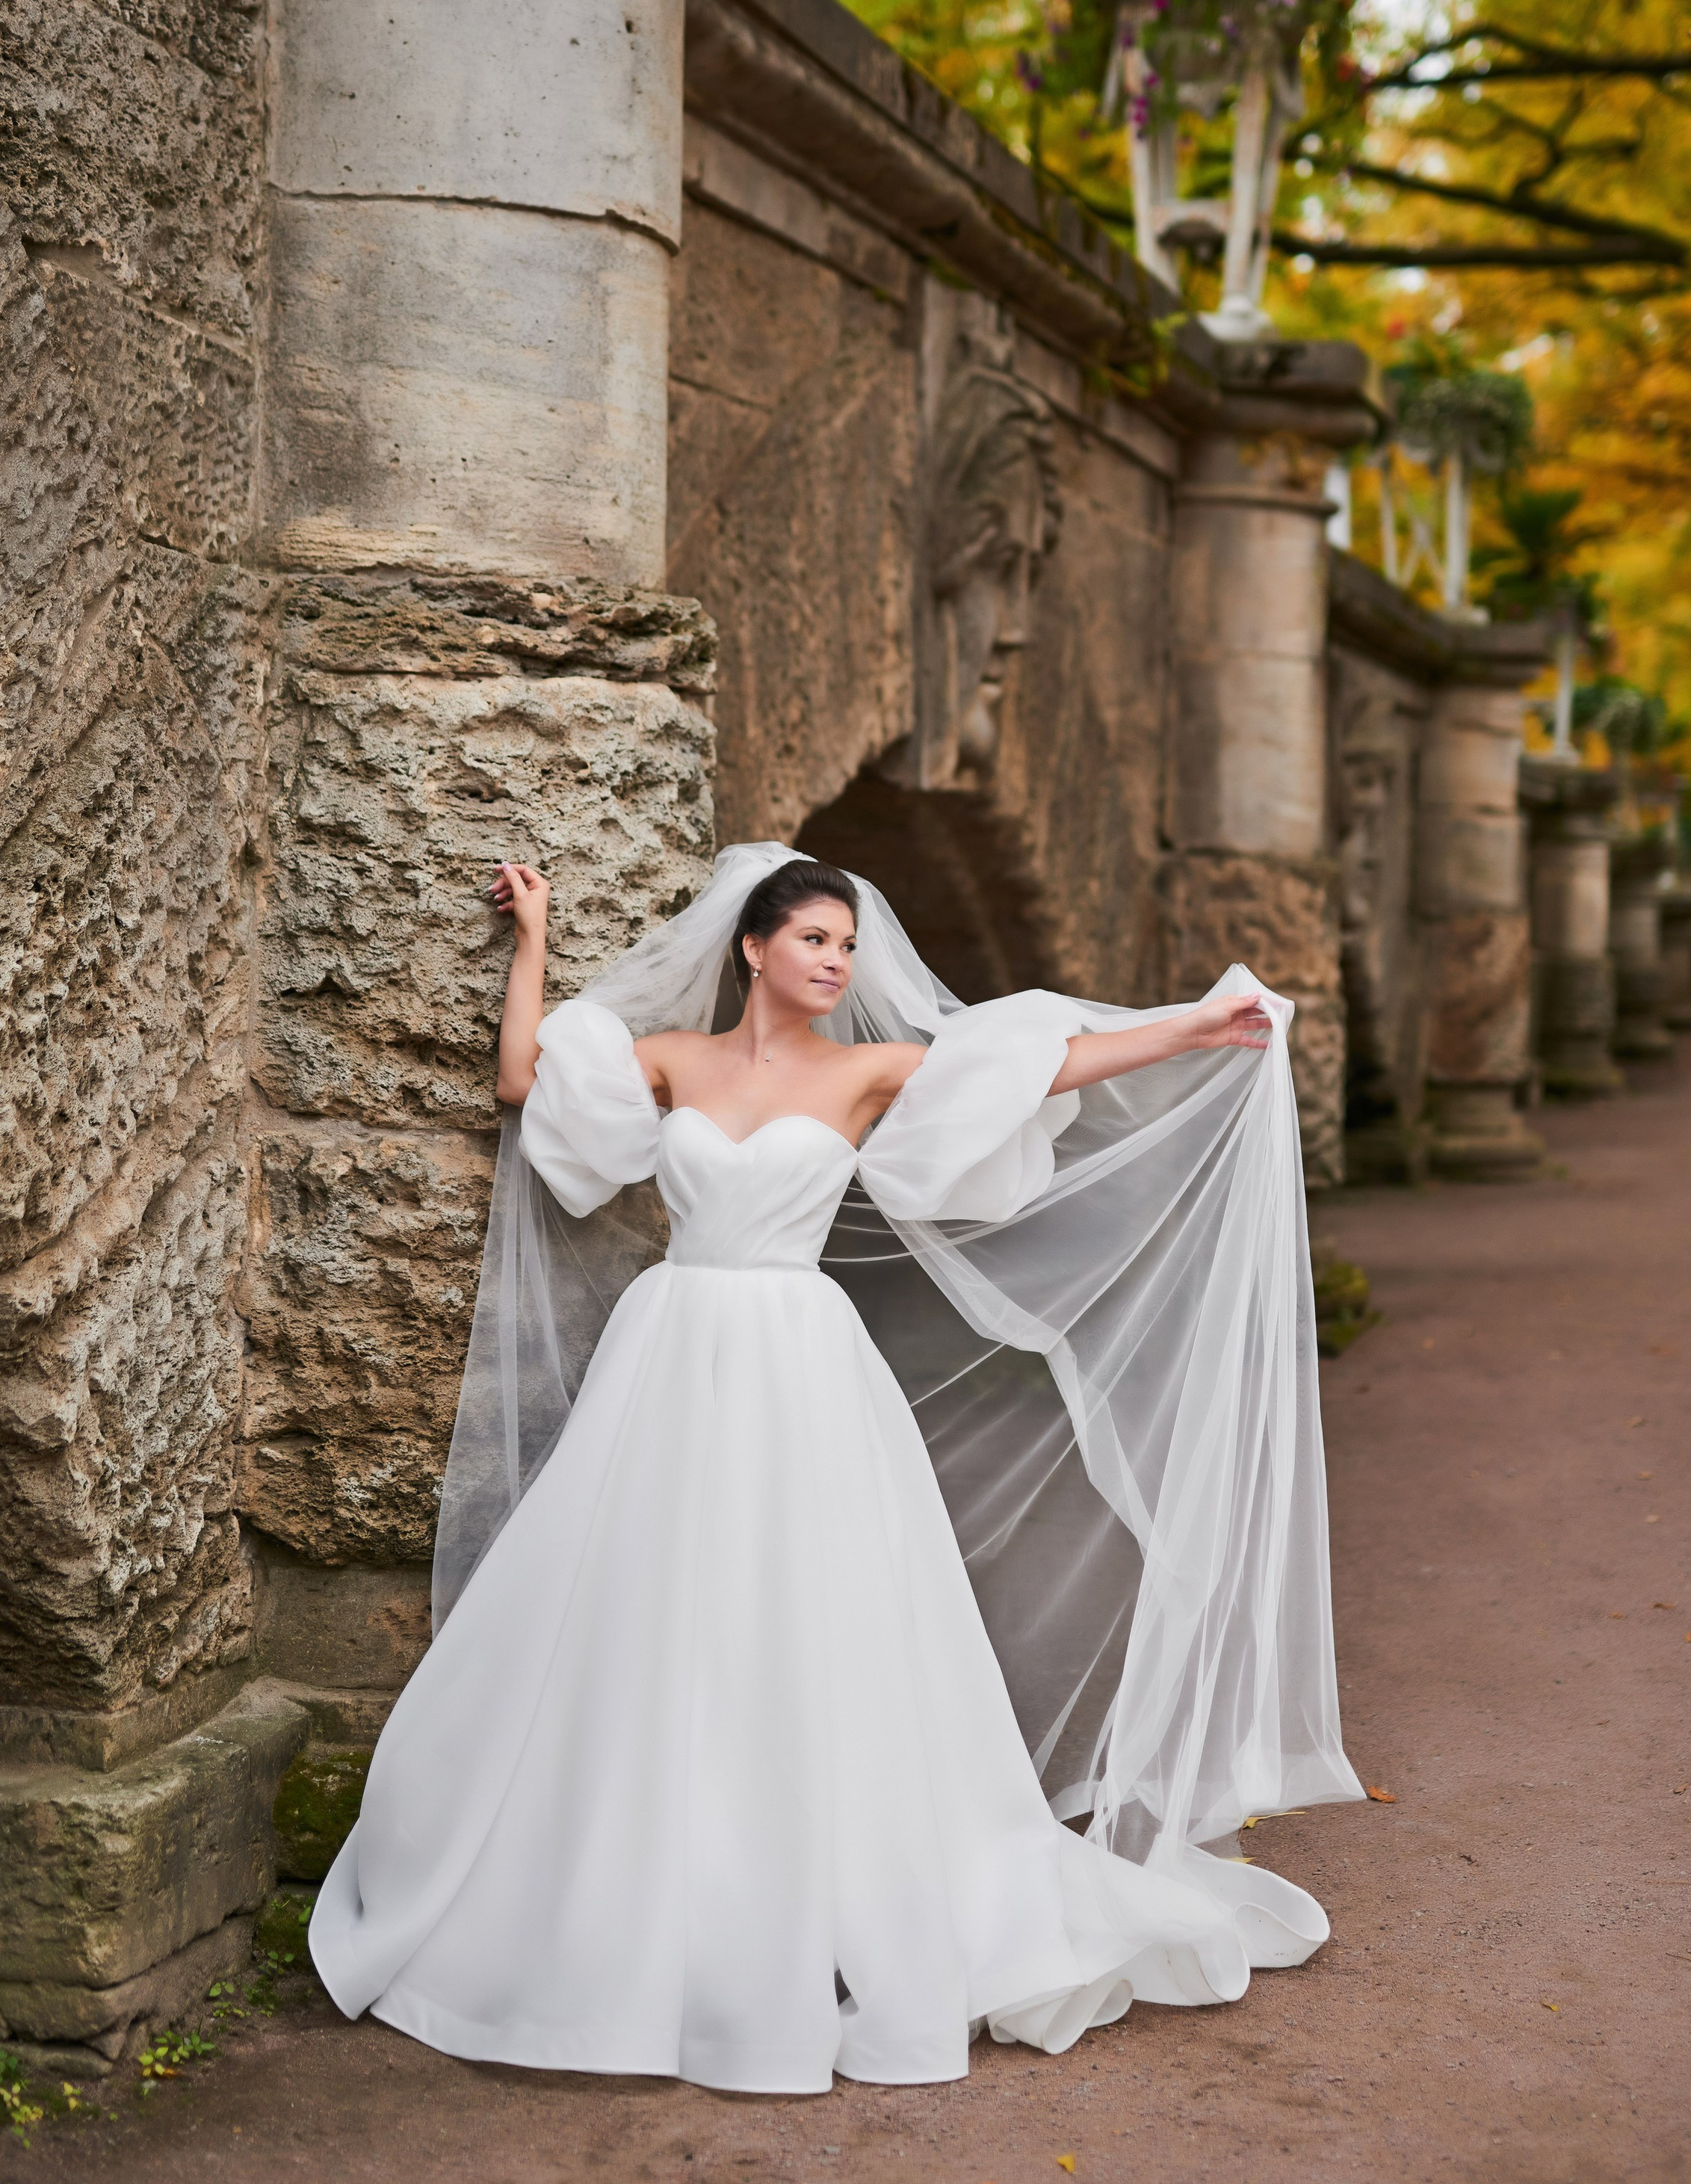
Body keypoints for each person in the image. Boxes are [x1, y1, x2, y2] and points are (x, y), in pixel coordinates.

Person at [309, 846, 1361, 2091]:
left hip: (800, 1360)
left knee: (806, 1610)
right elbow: (525, 1081)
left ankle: (807, 1873)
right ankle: (631, 1876)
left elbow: (1041, 1066)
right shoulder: (670, 1058)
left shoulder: (868, 1072)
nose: (837, 962)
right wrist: (533, 939)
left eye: (848, 946)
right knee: (642, 1607)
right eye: (814, 938)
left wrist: (1193, 1027)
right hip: (671, 1348)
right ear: (752, 947)